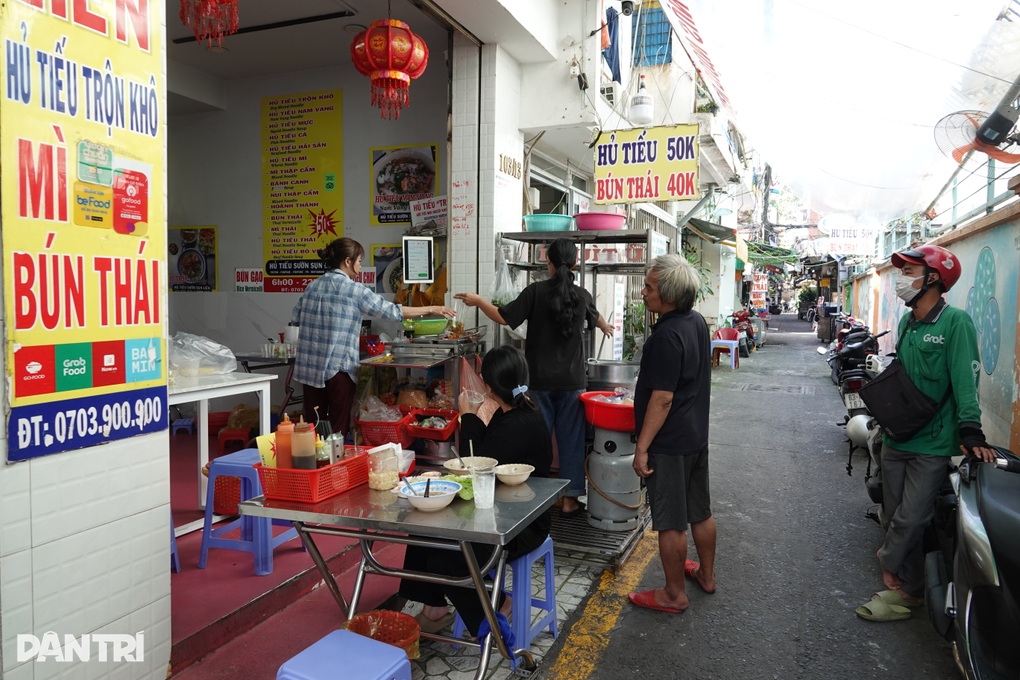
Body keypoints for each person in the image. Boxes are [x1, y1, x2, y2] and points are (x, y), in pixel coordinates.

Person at [856, 245, 996, 621]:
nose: (902, 279)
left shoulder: (956, 323)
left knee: (913, 516)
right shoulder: (907, 323)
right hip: (897, 436)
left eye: (910, 272)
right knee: (892, 513)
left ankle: (891, 566)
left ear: (933, 278)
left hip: (932, 443)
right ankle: (911, 589)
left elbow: (966, 381)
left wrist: (971, 431)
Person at [399, 345, 553, 635]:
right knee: (420, 529)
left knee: (443, 555)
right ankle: (434, 609)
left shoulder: (517, 423)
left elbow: (476, 465)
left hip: (520, 524)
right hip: (502, 509)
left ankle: (495, 610)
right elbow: (488, 449)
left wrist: (468, 415)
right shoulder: (518, 409)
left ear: (491, 388)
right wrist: (472, 417)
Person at [455, 238, 612, 515]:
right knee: (571, 442)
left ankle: (538, 496)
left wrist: (479, 301)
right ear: (574, 263)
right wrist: (605, 325)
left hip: (537, 382)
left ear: (548, 263)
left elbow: (504, 318)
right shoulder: (582, 295)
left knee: (538, 441)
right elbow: (594, 315)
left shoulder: (535, 292)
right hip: (572, 383)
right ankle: (570, 499)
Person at [291, 237, 454, 436]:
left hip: (310, 368)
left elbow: (296, 317)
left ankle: (312, 465)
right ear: (347, 262)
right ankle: (335, 465)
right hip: (338, 368)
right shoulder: (354, 290)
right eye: (359, 261)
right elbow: (392, 311)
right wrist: (432, 309)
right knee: (337, 430)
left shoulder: (312, 287)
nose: (360, 266)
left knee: (312, 427)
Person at [627, 253, 716, 614]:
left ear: (668, 295)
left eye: (649, 287)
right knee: (700, 511)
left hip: (670, 442)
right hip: (695, 436)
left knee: (671, 522)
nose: (643, 293)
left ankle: (674, 594)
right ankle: (706, 576)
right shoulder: (695, 322)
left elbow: (661, 400)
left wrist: (642, 448)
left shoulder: (665, 336)